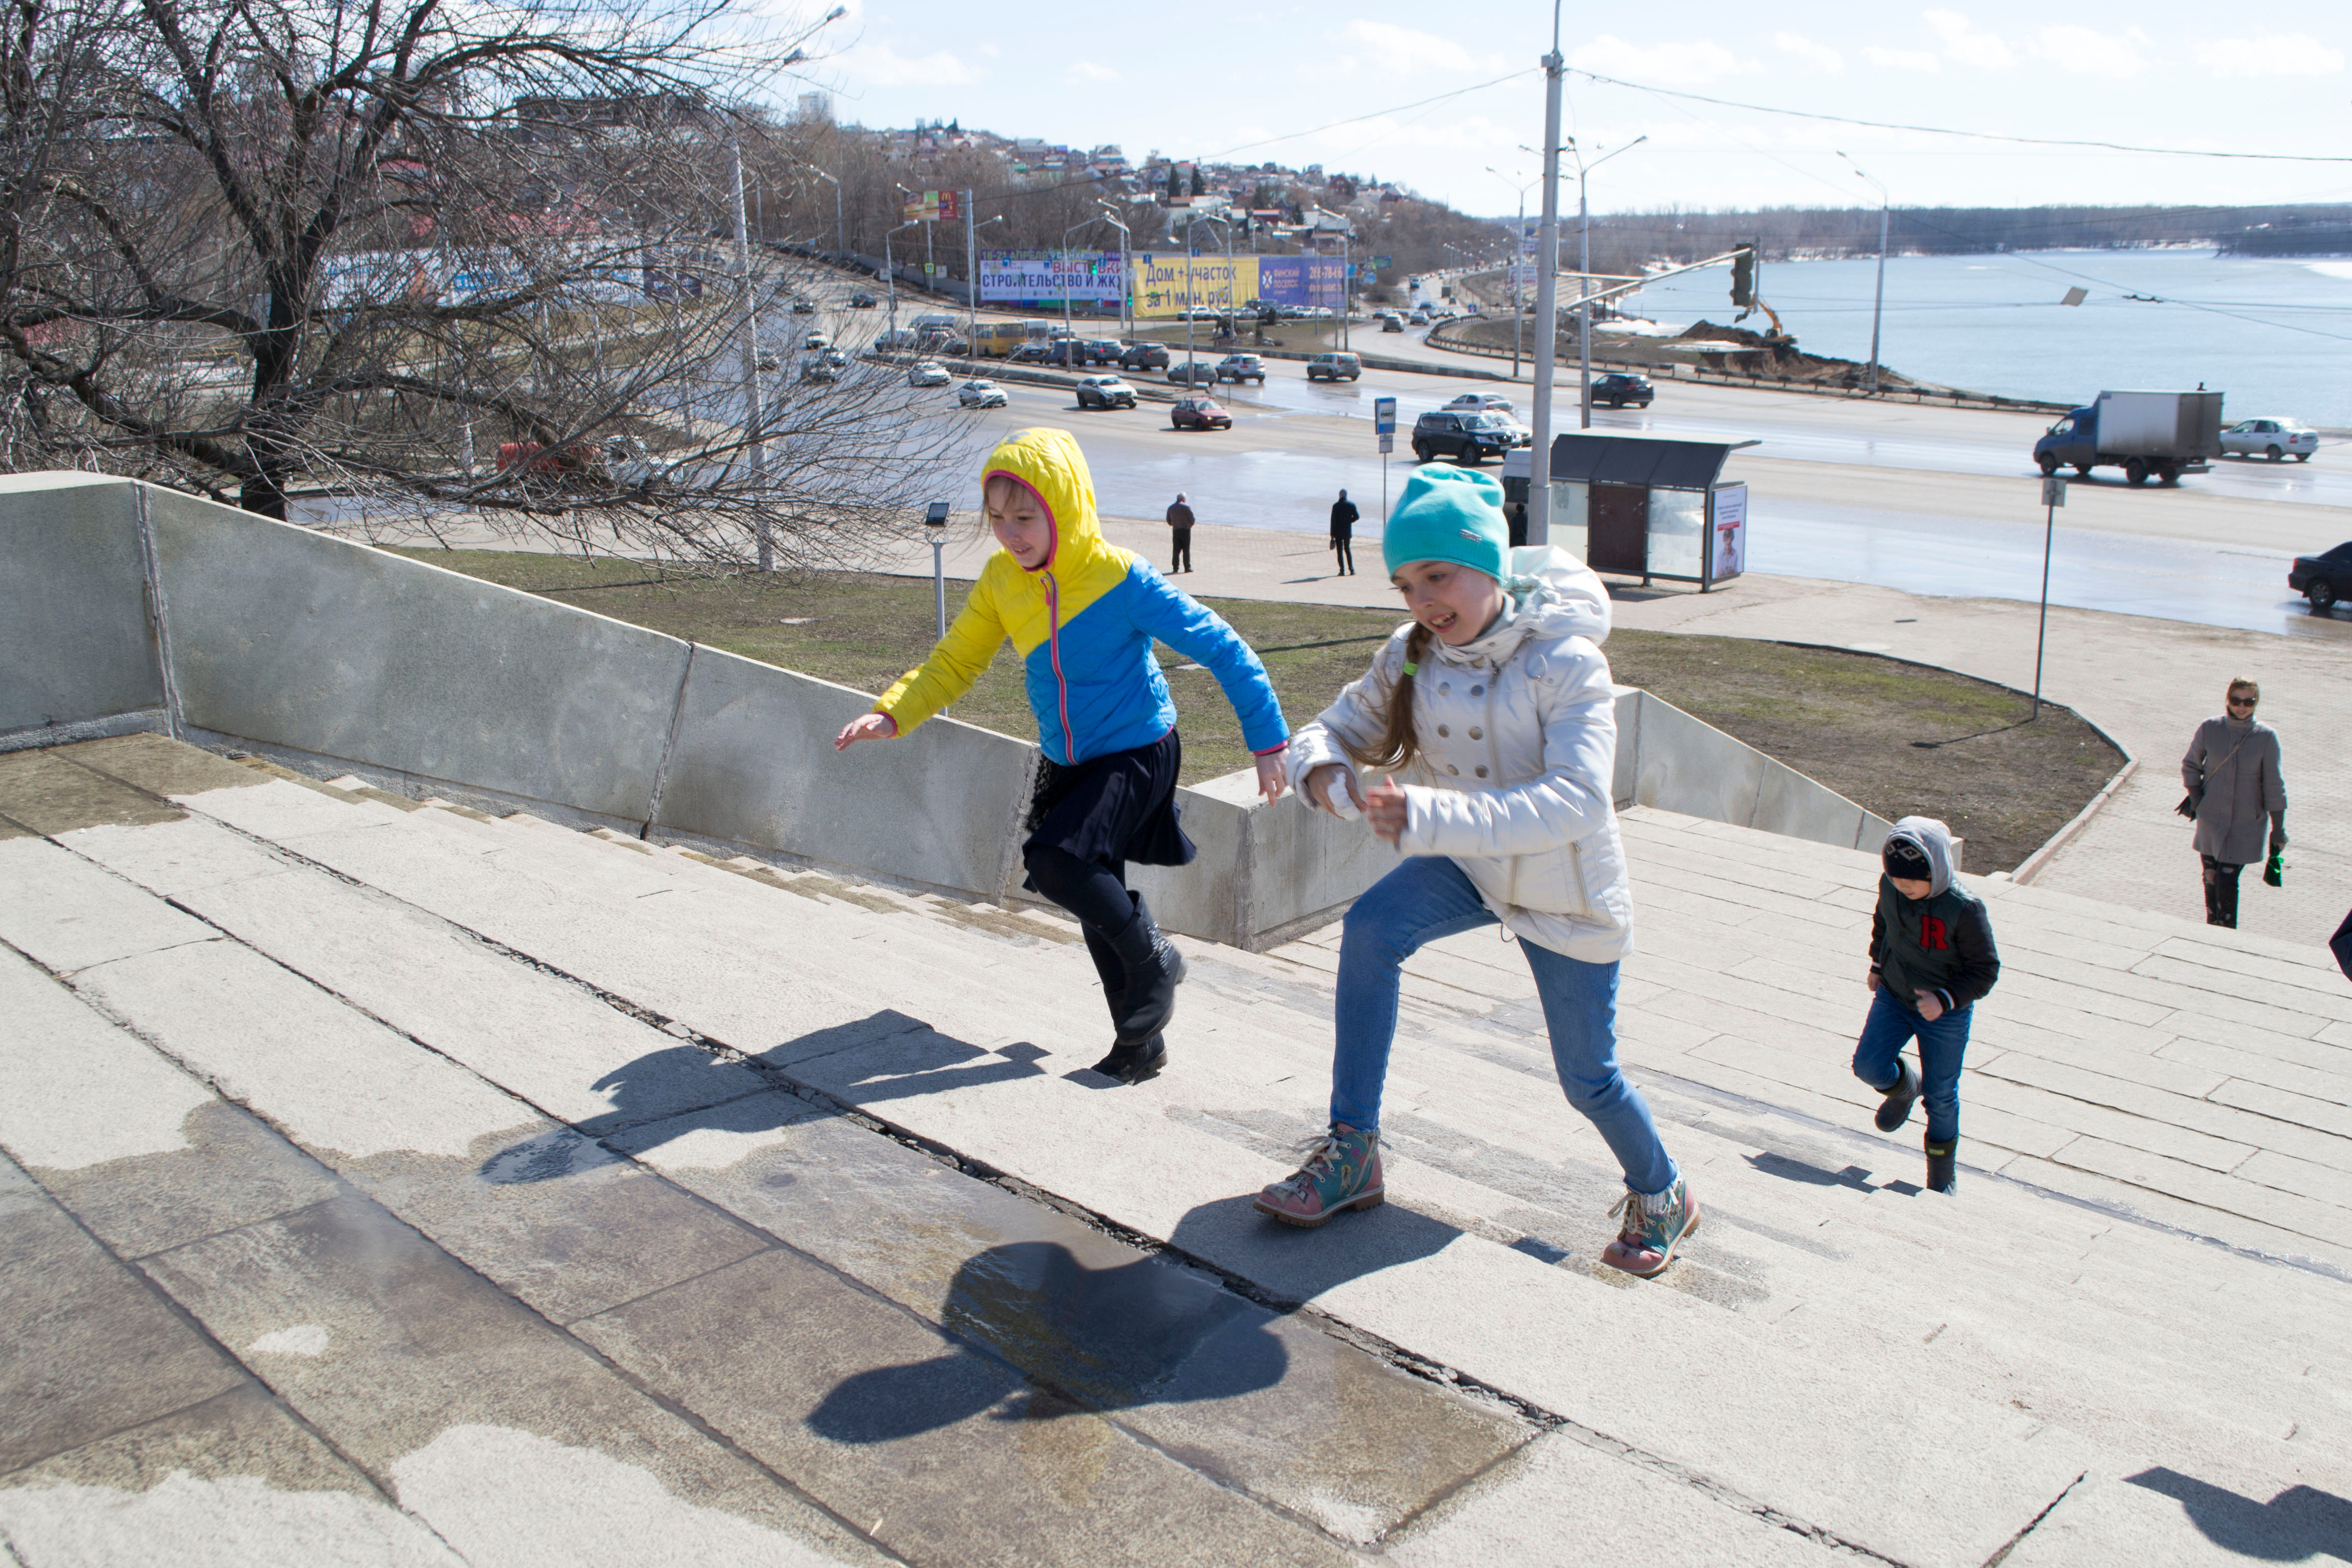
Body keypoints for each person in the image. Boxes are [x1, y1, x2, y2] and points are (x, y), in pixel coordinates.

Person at [1252, 463, 1698, 1280]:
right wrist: (1323, 775)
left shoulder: (1567, 662)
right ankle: (1354, 1153)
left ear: (1489, 567)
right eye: (1407, 583)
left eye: (1439, 575)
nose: (1423, 600)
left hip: (1565, 891)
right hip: (1468, 862)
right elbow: (1333, 727)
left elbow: (1576, 802)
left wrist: (1431, 817)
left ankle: (1664, 1192)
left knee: (1588, 1080)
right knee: (1371, 929)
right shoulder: (1415, 653)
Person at [837, 429, 1289, 1084]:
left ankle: (1158, 962)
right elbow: (957, 661)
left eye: (1025, 518)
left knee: (1055, 860)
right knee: (1091, 895)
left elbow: (1223, 648)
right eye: (997, 518)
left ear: (1063, 510)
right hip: (1071, 760)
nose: (1010, 534)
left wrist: (1268, 743)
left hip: (1138, 748)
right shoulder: (1000, 582)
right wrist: (893, 711)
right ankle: (1139, 1043)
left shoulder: (1118, 576)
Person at [1853, 818, 2000, 1195]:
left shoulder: (1965, 909)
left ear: (1936, 869)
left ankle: (1941, 1174)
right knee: (1868, 1065)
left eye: (1913, 881)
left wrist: (1946, 999)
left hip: (1945, 1012)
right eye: (1897, 879)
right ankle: (1904, 1088)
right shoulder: (1891, 886)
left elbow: (1985, 970)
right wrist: (1876, 964)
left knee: (1941, 1095)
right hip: (1895, 994)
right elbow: (1882, 923)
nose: (1903, 886)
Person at [2179, 678, 2287, 929]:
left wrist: (2279, 828)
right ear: (2228, 699)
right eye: (2236, 700)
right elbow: (2191, 766)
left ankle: (2225, 937)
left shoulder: (2267, 737)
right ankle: (2211, 932)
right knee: (2210, 878)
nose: (2242, 707)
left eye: (2249, 702)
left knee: (2227, 880)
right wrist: (2198, 802)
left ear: (2256, 702)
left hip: (2246, 824)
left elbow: (2275, 785)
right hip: (2211, 820)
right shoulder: (2210, 728)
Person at [1328, 488, 1359, 576]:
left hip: (1338, 532)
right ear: (1346, 495)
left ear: (1340, 495)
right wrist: (1350, 521)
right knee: (1348, 549)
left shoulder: (1336, 506)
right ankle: (1352, 570)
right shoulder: (1351, 505)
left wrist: (1332, 534)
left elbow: (1333, 521)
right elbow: (1357, 517)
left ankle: (1342, 571)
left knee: (1340, 551)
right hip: (1347, 531)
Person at [1166, 492, 1195, 575]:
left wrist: (1174, 524)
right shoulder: (1187, 507)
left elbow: (1169, 521)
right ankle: (1187, 568)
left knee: (1176, 550)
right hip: (1186, 530)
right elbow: (1193, 519)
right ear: (1183, 499)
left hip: (1176, 530)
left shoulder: (1171, 508)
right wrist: (1189, 525)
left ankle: (1175, 568)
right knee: (1186, 550)